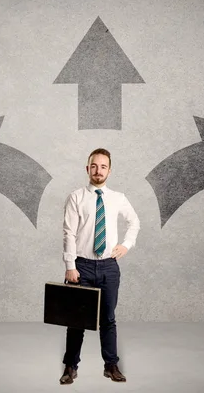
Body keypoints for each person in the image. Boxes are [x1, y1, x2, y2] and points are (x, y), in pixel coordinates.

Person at [59, 148, 140, 385]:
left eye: (103, 166)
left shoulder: (118, 198)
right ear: (87, 169)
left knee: (108, 318)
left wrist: (126, 245)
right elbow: (68, 233)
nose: (98, 170)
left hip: (108, 268)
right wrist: (70, 265)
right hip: (81, 267)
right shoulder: (76, 197)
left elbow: (134, 222)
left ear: (109, 171)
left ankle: (111, 365)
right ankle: (70, 366)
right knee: (76, 321)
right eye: (94, 166)